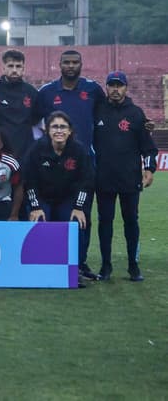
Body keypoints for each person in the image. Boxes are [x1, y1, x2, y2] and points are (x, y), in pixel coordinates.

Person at [35, 50, 105, 280]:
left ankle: (80, 263)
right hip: (53, 165)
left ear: (81, 65)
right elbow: (33, 122)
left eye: (75, 62)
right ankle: (50, 261)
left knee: (82, 214)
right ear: (60, 65)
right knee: (54, 214)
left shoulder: (93, 90)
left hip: (84, 164)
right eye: (67, 62)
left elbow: (106, 116)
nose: (71, 66)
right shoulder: (46, 93)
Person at [93, 71, 158, 281]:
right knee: (105, 222)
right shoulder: (97, 110)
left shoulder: (136, 114)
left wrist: (149, 170)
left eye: (119, 85)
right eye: (111, 85)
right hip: (103, 179)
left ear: (126, 88)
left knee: (131, 221)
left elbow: (148, 148)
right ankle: (106, 267)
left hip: (130, 179)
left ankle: (133, 266)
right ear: (106, 87)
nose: (115, 89)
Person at [23, 111, 93, 286]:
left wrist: (78, 207)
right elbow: (29, 181)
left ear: (70, 131)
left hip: (67, 200)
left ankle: (74, 270)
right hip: (42, 199)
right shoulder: (37, 149)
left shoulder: (79, 151)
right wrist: (35, 206)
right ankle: (39, 269)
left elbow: (86, 182)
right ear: (47, 130)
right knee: (38, 220)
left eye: (63, 127)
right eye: (55, 126)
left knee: (76, 222)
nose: (59, 130)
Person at [0, 49, 40, 161]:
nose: (14, 70)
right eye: (10, 66)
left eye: (18, 66)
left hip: (25, 151)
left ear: (23, 68)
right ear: (3, 68)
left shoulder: (31, 92)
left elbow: (36, 119)